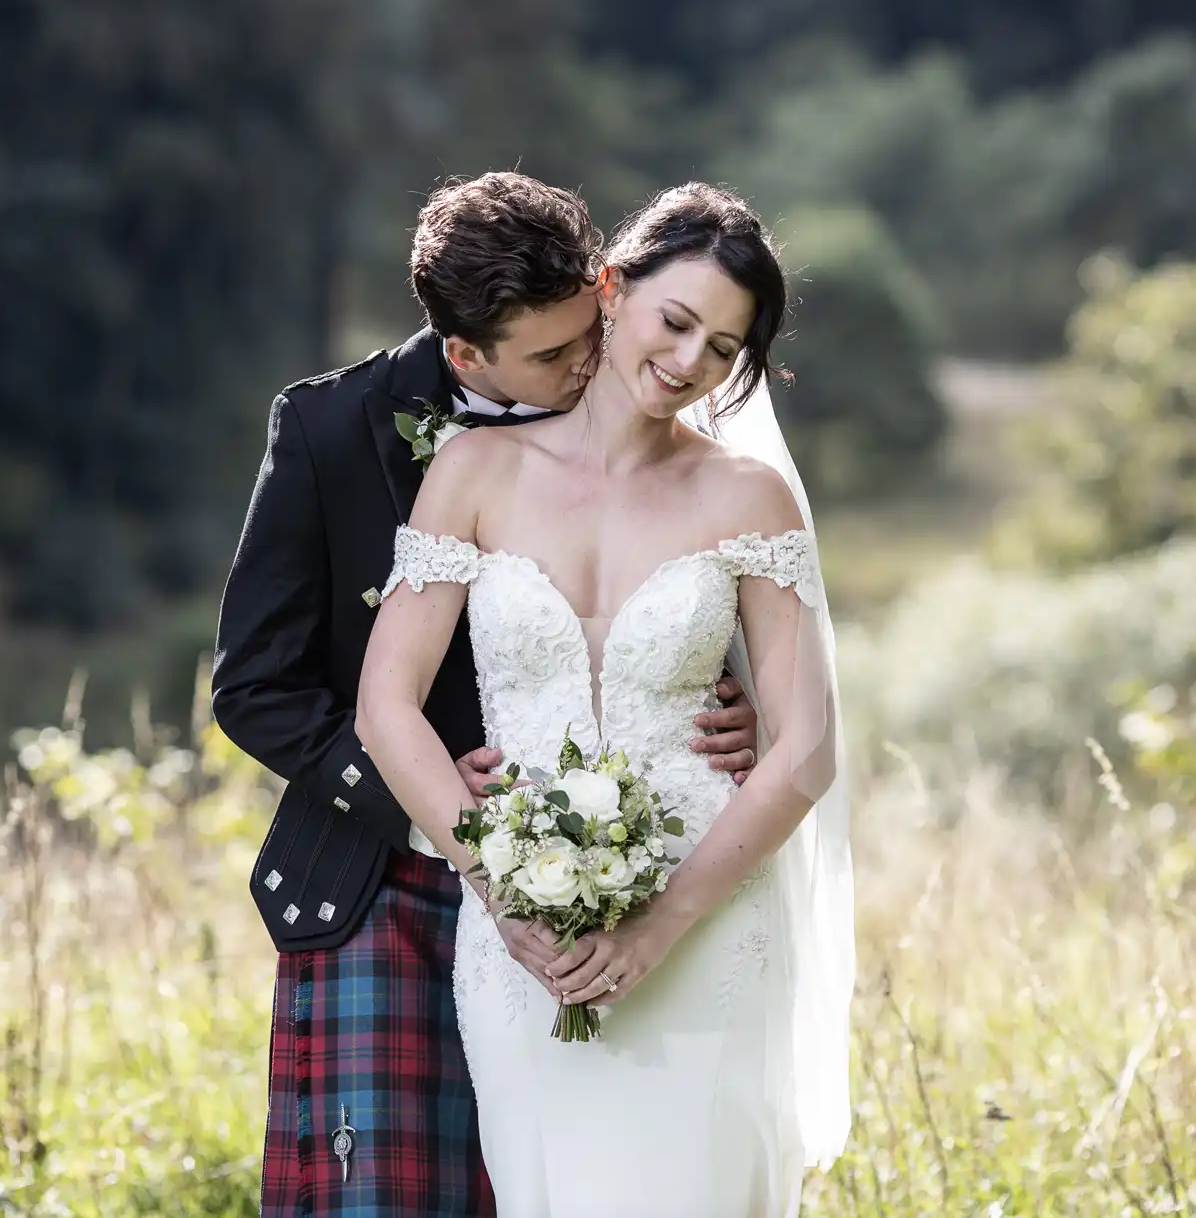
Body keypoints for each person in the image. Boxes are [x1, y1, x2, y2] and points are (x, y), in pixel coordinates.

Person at [211, 172, 761, 1218]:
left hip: (604, 871)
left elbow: (665, 593)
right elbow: (253, 686)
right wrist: (416, 799)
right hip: (387, 871)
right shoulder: (330, 429)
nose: (587, 364)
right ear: (466, 356)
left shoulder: (655, 428)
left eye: (589, 330)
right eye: (552, 357)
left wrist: (724, 697)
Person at [357, 183, 856, 1218]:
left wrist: (661, 924)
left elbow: (804, 745)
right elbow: (385, 705)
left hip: (704, 922)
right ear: (611, 289)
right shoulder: (473, 470)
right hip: (520, 940)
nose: (687, 363)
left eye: (723, 350)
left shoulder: (745, 498)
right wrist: (495, 889)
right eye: (676, 322)